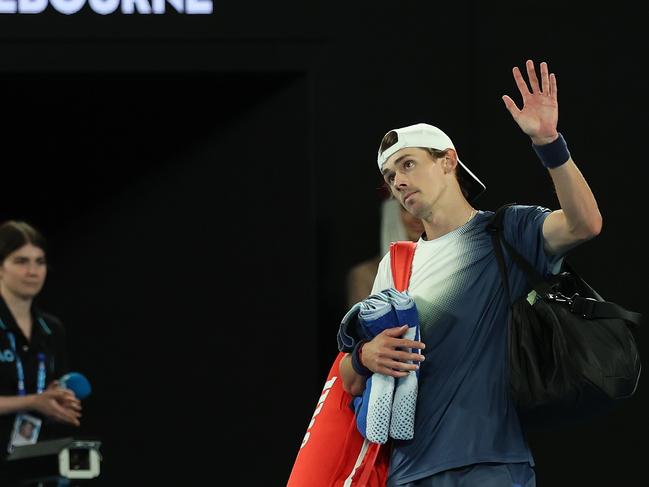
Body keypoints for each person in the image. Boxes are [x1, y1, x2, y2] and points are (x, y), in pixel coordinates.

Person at [339, 59, 602, 487]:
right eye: (390, 175)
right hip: (407, 474)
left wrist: (549, 143)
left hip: (492, 464)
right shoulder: (395, 263)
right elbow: (348, 380)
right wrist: (364, 357)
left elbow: (584, 224)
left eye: (408, 164)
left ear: (448, 162)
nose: (398, 182)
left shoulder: (506, 231)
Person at [0, 221, 81, 456]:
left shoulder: (51, 328)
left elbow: (50, 390)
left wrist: (58, 399)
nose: (33, 272)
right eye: (21, 261)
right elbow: (36, 399)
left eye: (40, 262)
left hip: (34, 458)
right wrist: (34, 401)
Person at [346, 197, 424, 308]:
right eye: (406, 208)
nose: (416, 218)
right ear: (391, 212)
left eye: (422, 209)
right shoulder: (365, 275)